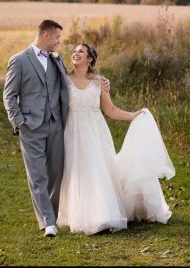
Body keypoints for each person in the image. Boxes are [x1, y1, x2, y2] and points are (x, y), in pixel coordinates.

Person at [2, 20, 110, 237]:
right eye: (57, 37)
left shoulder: (56, 61)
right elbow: (9, 95)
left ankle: (52, 215)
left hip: (56, 126)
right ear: (46, 36)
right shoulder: (19, 61)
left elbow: (74, 80)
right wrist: (20, 123)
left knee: (56, 175)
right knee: (37, 176)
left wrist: (100, 80)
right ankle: (48, 223)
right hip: (30, 127)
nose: (60, 42)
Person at [56, 43, 175, 236]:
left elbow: (110, 110)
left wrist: (134, 115)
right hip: (71, 131)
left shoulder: (99, 82)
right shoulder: (63, 79)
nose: (76, 54)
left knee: (96, 170)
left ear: (90, 59)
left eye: (81, 51)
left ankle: (102, 214)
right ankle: (77, 214)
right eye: (75, 51)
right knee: (75, 171)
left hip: (95, 132)